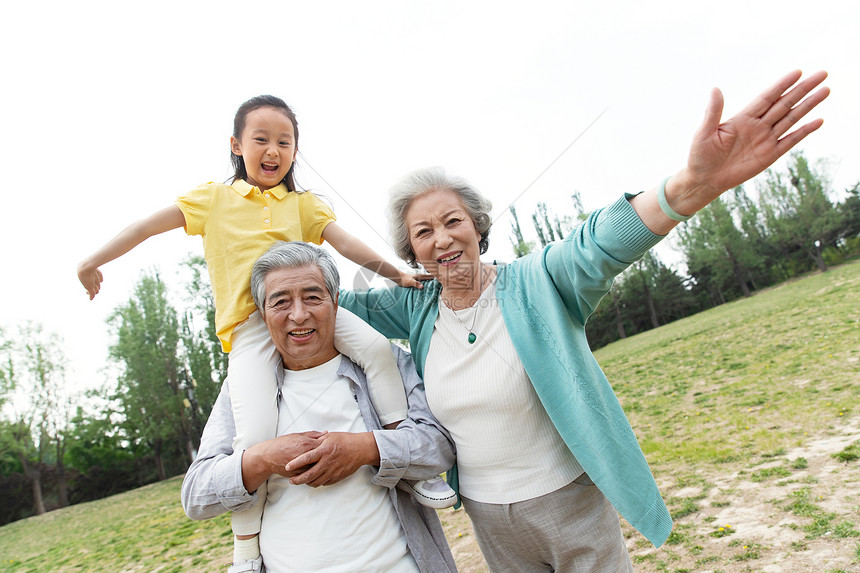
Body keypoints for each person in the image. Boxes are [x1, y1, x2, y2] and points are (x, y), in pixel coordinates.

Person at [334, 70, 830, 571]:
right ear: (410, 251)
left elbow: (599, 244)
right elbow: (316, 303)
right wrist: (273, 218)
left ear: (478, 227)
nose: (441, 239)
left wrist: (692, 185)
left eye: (452, 221)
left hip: (569, 498)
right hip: (488, 516)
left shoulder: (537, 281)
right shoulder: (414, 306)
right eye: (423, 232)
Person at [76, 96, 455, 571]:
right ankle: (246, 543)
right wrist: (93, 261)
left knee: (378, 348)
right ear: (237, 145)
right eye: (261, 139)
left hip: (313, 308)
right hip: (254, 329)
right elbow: (146, 227)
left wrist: (396, 273)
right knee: (253, 438)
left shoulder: (303, 205)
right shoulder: (212, 199)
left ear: (296, 151)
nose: (273, 150)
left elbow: (345, 243)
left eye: (285, 141)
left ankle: (410, 464)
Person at [181, 241, 457, 573]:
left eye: (313, 297)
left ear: (336, 301)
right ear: (262, 313)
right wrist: (262, 459)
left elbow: (439, 444)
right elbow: (196, 496)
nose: (298, 314)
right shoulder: (242, 392)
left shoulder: (387, 364)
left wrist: (366, 449)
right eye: (280, 302)